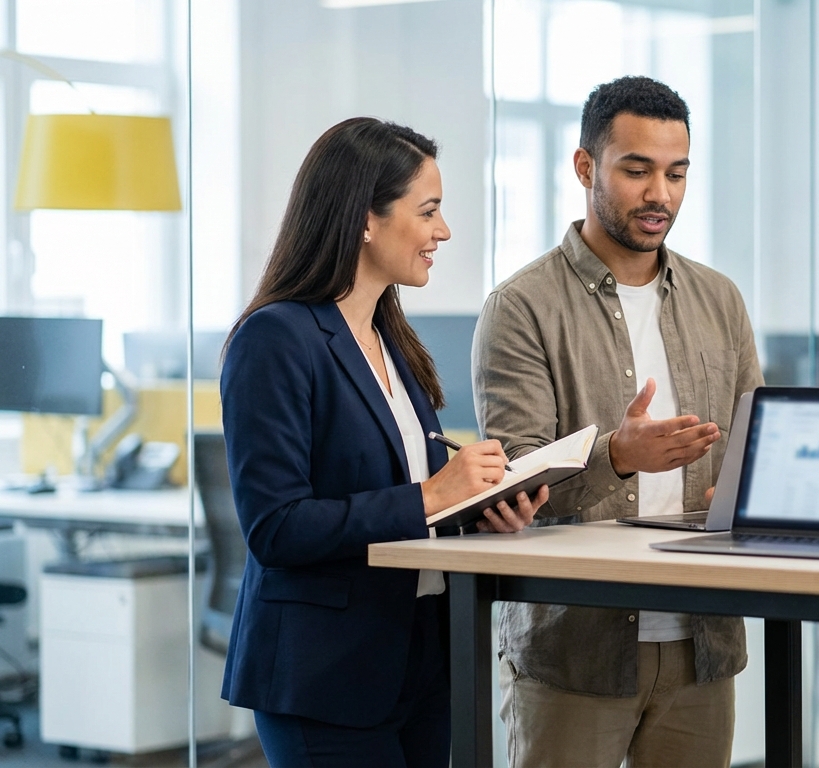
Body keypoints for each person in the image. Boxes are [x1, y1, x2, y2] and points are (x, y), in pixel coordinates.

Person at [219, 117, 549, 767]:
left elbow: (405, 502)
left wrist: (482, 510)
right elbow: (275, 527)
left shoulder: (389, 338)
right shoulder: (275, 339)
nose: (443, 232)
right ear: (365, 219)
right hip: (326, 678)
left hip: (419, 663)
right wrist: (430, 496)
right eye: (428, 211)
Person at [473, 76, 762, 767]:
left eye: (676, 173)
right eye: (636, 170)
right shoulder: (522, 307)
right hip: (577, 647)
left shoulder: (719, 300)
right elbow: (511, 490)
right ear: (585, 168)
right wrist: (618, 456)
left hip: (701, 639)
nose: (659, 194)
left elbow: (754, 450)